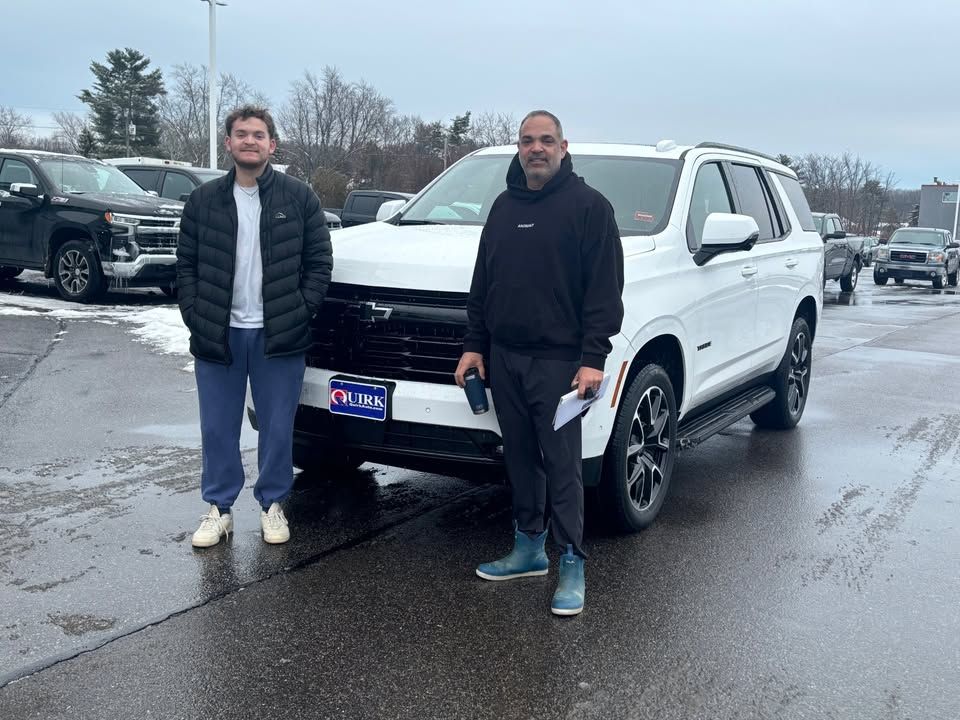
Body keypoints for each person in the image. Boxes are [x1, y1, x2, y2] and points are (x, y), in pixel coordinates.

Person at [455, 110, 624, 616]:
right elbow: (483, 285)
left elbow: (604, 291)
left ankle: (572, 560)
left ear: (564, 146)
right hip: (505, 358)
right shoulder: (504, 207)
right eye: (528, 141)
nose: (536, 149)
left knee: (563, 465)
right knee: (520, 457)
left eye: (546, 141)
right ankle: (529, 547)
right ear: (519, 147)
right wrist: (474, 345)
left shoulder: (590, 208)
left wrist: (593, 357)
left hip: (559, 364)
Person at [177, 105, 332, 548]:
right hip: (219, 333)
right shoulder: (204, 200)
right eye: (241, 134)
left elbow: (319, 262)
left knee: (278, 426)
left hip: (278, 334)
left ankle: (273, 504)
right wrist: (195, 312)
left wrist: (301, 309)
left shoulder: (298, 197)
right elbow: (185, 264)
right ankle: (219, 509)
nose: (250, 140)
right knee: (218, 426)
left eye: (258, 134)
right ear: (229, 143)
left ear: (272, 144)